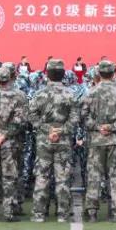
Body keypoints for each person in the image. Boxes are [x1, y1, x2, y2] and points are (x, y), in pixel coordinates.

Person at [28, 58, 80, 222]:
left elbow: (32, 115)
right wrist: (61, 130)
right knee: (62, 177)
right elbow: (75, 118)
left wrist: (47, 130)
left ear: (47, 74)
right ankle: (63, 214)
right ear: (63, 74)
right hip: (63, 140)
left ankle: (39, 214)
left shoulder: (39, 94)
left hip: (44, 140)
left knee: (42, 176)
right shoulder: (70, 94)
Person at [83, 59, 116, 222]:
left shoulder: (91, 92)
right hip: (114, 139)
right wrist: (112, 127)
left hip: (96, 140)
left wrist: (98, 127)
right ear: (113, 73)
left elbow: (84, 115)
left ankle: (92, 212)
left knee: (94, 175)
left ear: (99, 73)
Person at [0, 65, 27, 222]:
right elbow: (20, 121)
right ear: (10, 79)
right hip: (10, 142)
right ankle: (9, 213)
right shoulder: (19, 96)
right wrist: (4, 135)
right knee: (9, 177)